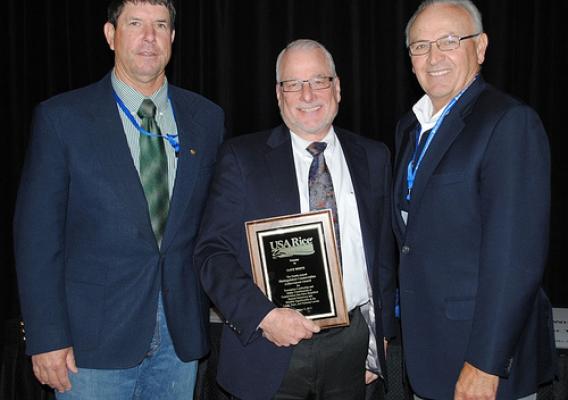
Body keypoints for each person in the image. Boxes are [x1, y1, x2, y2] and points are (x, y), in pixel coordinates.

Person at [13, 0, 224, 398]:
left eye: (160, 25)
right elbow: (36, 238)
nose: (149, 37)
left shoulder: (207, 118)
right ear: (111, 35)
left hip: (180, 338)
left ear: (173, 38)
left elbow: (214, 223)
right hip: (90, 344)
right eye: (135, 24)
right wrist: (45, 337)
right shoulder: (63, 118)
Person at [194, 39, 396, 400]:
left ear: (337, 87)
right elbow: (212, 254)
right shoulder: (242, 159)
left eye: (318, 80)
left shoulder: (374, 157)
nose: (307, 94)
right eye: (293, 84)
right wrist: (264, 317)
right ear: (278, 94)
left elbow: (382, 257)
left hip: (351, 346)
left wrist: (377, 340)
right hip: (267, 348)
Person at [393, 1, 557, 399]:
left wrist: (486, 363)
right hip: (428, 356)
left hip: (482, 365)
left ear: (480, 47)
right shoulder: (409, 128)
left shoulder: (508, 123)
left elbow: (516, 259)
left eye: (449, 41)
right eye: (420, 46)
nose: (433, 57)